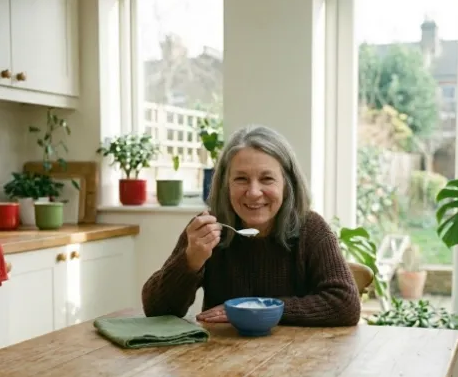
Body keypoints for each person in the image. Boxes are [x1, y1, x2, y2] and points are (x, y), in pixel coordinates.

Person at [141, 125, 361, 327]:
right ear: (225, 185)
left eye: (267, 179)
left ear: (287, 185)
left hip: (295, 357)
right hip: (219, 356)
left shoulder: (310, 228)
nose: (254, 192)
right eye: (241, 179)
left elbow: (345, 305)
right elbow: (156, 310)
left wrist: (255, 310)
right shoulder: (207, 228)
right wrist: (190, 261)